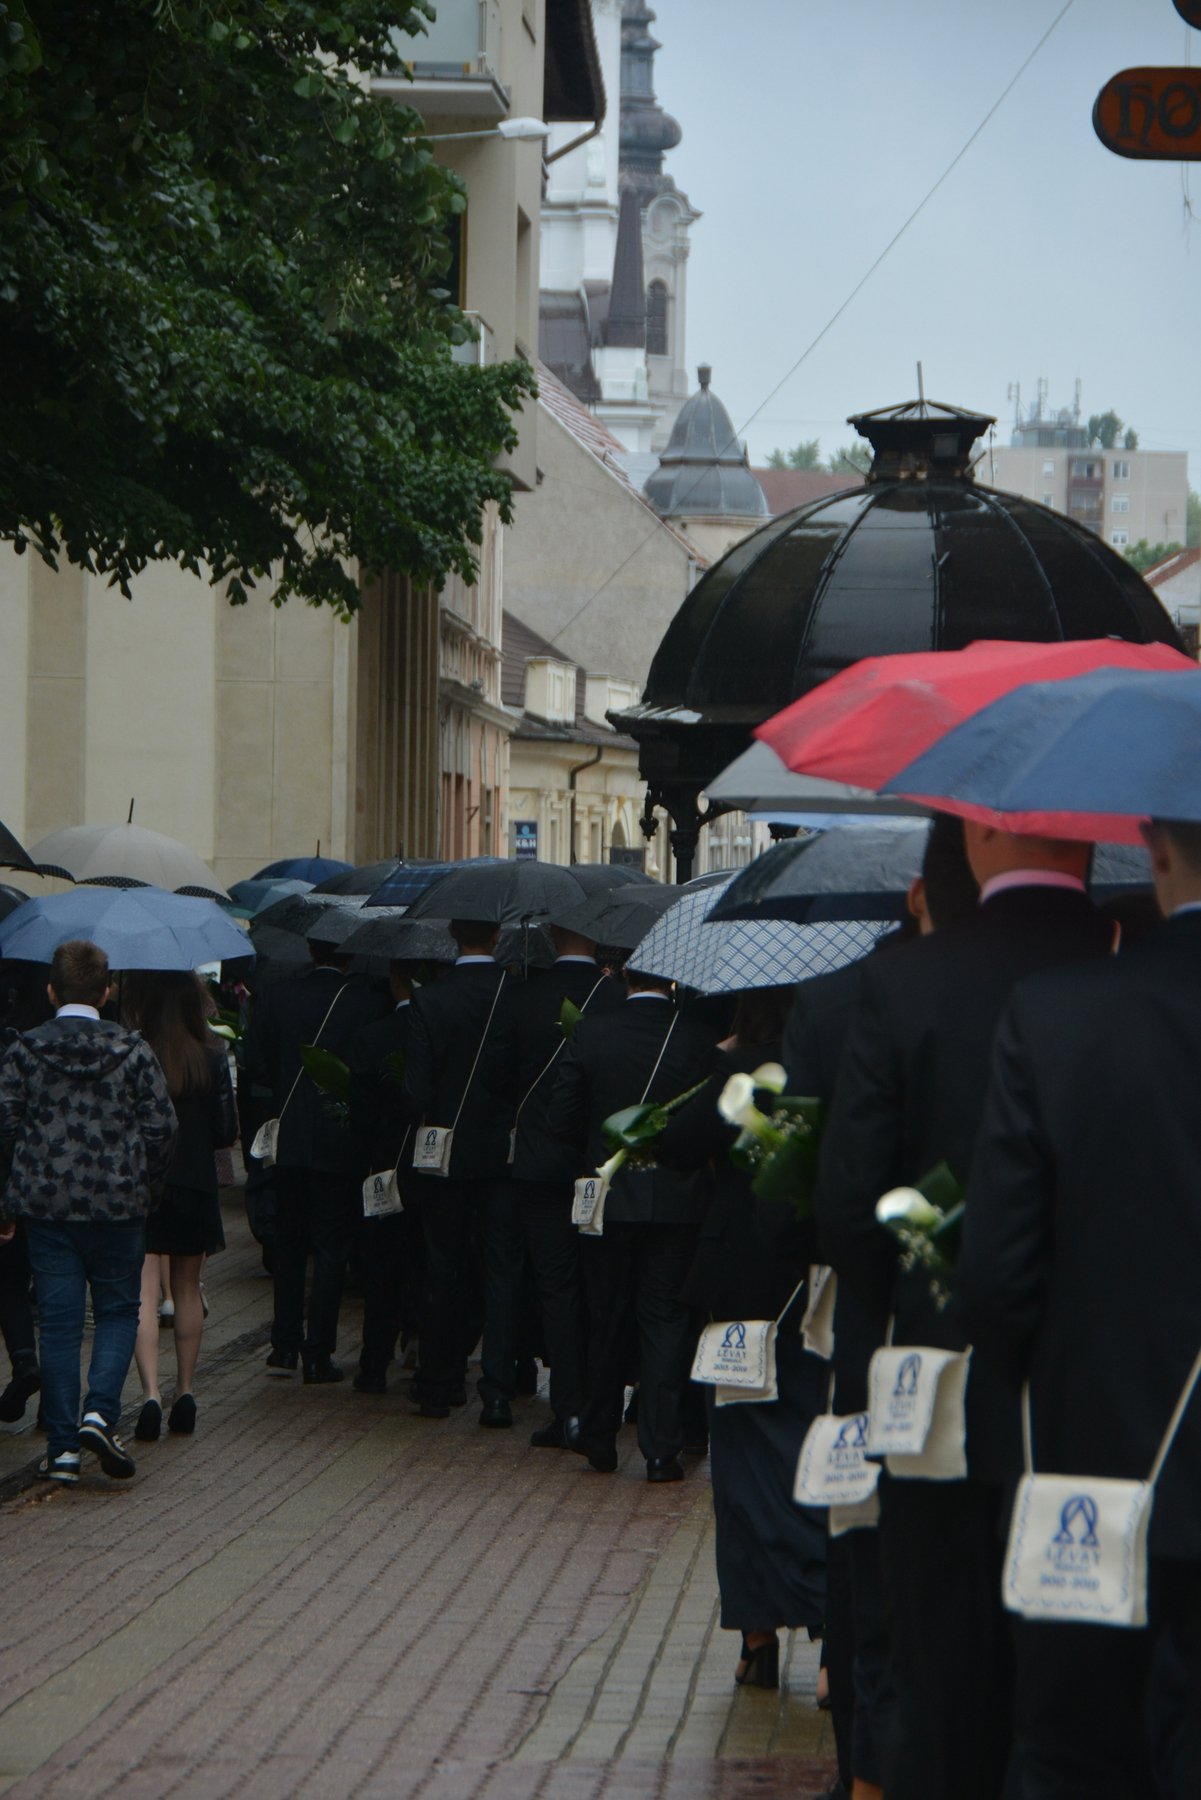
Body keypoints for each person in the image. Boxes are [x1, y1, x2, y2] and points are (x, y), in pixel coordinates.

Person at [815, 821, 1112, 1800]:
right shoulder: (1131, 967)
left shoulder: (906, 983)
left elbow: (850, 1206)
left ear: (983, 829)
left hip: (935, 1387)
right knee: (1083, 1702)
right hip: (1098, 1395)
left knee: (942, 1676)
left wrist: (916, 1297)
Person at [960, 817, 1201, 1800]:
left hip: (1098, 1472)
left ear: (1155, 850)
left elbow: (997, 1275)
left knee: (1076, 1757)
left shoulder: (1059, 1015)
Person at [786, 815, 978, 1800]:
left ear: (915, 896)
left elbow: (829, 1196)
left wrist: (882, 1289)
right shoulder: (1063, 981)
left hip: (882, 1334)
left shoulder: (838, 998)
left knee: (871, 1557)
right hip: (1018, 1348)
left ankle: (864, 1762)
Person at [658, 985, 827, 1688]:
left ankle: (757, 1636)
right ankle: (833, 1641)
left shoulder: (736, 1072)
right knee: (819, 1446)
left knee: (742, 1459)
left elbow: (673, 1144)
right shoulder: (836, 1071)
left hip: (740, 1286)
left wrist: (719, 1057)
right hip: (820, 1285)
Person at [0, 940, 177, 1483]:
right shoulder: (133, 1051)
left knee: (58, 1325)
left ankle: (62, 1451)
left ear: (51, 991)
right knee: (119, 1311)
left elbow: (4, 1126)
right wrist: (146, 1186)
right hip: (120, 1205)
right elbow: (163, 1127)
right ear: (107, 992)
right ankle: (99, 1413)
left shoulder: (25, 1050)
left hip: (48, 1208)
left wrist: (8, 1197)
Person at [545, 963, 719, 1481]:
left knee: (606, 1313)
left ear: (626, 975)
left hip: (608, 1196)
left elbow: (562, 1117)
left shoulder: (592, 1032)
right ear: (673, 977)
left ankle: (598, 1433)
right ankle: (661, 1448)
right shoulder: (698, 1038)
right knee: (665, 1318)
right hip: (677, 1198)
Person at [243, 935, 388, 1383]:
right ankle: (318, 1351)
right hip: (338, 1139)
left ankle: (284, 1344)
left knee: (289, 1241)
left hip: (288, 1134)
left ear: (311, 949)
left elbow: (254, 1061)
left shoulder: (278, 995)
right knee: (330, 1246)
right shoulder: (366, 1002)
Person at [507, 923, 623, 1449]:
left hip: (539, 1159)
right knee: (602, 1288)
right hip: (597, 1164)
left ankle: (568, 1407)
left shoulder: (524, 995)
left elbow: (499, 1076)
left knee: (555, 1286)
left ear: (554, 935)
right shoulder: (617, 999)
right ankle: (602, 1405)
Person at [403, 920, 521, 1427]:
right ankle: (496, 1391)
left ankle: (437, 1381)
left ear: (453, 932)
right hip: (500, 1153)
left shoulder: (430, 998)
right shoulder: (515, 995)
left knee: (442, 1265)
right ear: (497, 935)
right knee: (500, 1270)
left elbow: (416, 1089)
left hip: (444, 1150)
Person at [123, 971, 238, 1440]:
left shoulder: (136, 1054)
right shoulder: (212, 1057)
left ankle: (150, 1392)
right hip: (195, 1185)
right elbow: (225, 1131)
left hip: (145, 1186)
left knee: (144, 1292)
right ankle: (185, 1391)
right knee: (187, 1289)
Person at [347, 960, 421, 1394]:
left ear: (395, 980)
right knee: (428, 1262)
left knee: (382, 1268)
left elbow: (359, 1114)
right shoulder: (437, 1032)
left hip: (383, 1164)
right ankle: (424, 1348)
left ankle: (374, 1362)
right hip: (430, 1167)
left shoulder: (372, 1037)